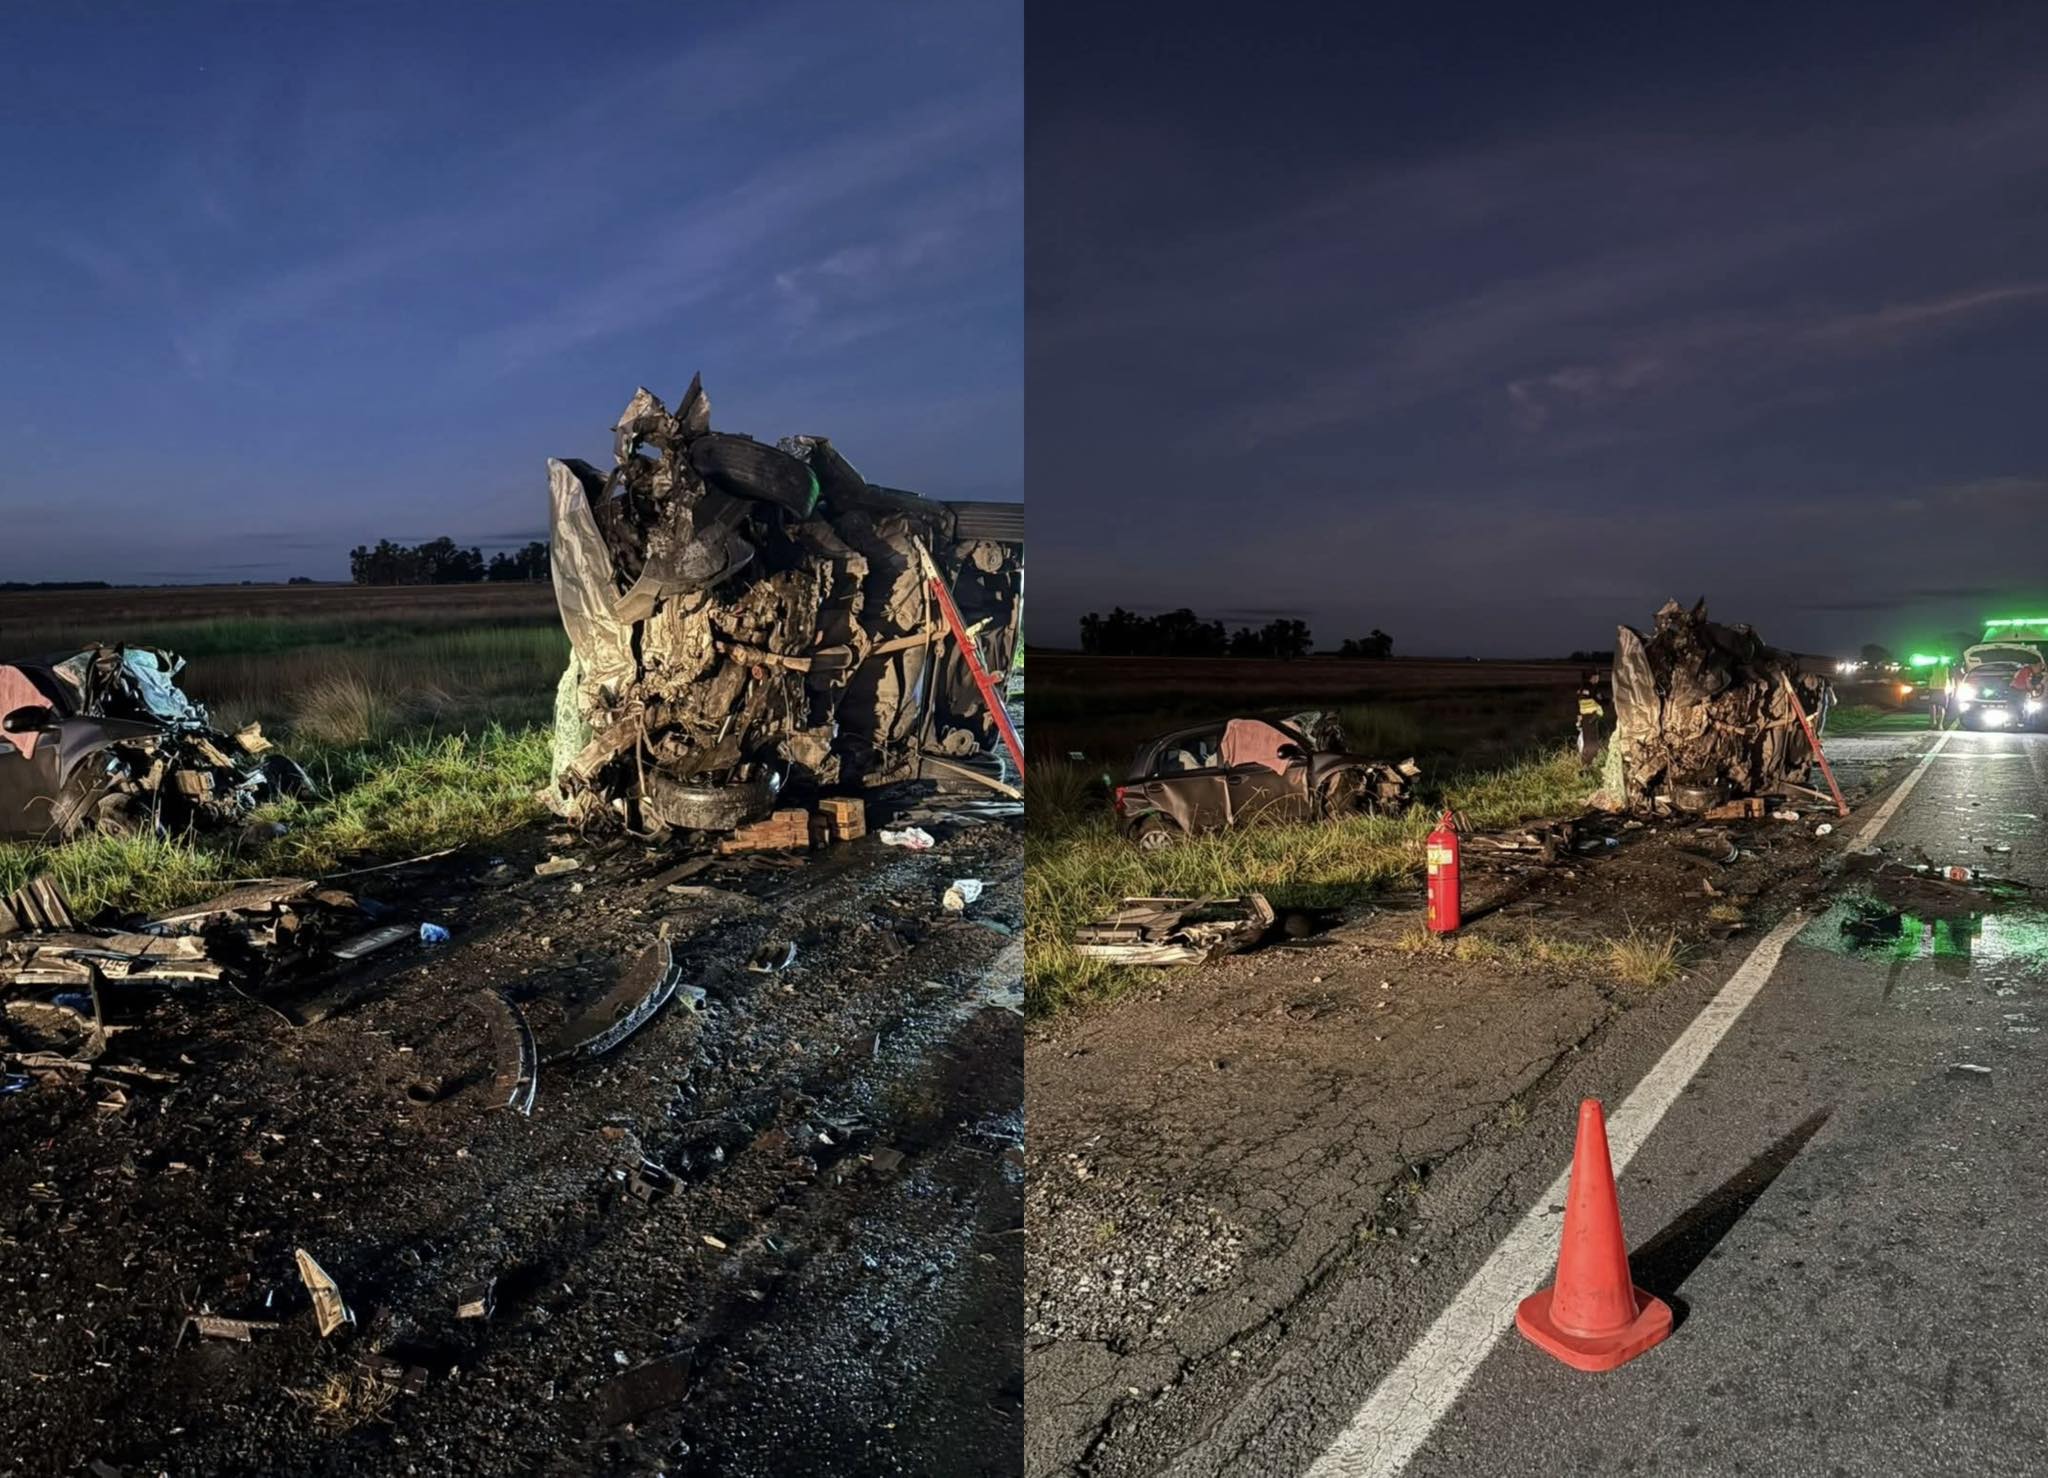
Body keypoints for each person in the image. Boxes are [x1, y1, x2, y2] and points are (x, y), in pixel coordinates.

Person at [1576, 670, 1608, 767]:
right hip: (1591, 717)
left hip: (1585, 718)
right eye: (1596, 676)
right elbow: (1600, 700)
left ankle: (1587, 764)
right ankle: (1588, 765)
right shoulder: (1592, 689)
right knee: (1591, 742)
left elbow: (1578, 703)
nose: (1598, 679)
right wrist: (1610, 702)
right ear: (1591, 677)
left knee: (1587, 740)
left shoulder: (1581, 689)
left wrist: (1578, 720)